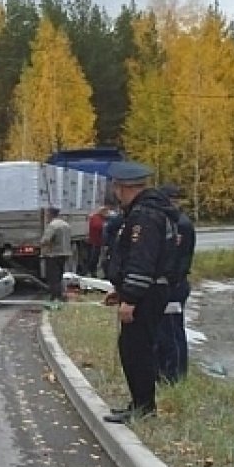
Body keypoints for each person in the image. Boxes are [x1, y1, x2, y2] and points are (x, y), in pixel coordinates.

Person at [101, 162, 179, 424]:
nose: (115, 192)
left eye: (117, 187)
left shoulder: (144, 216)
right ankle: (140, 403)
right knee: (133, 346)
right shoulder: (146, 211)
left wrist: (131, 298)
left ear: (125, 188)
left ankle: (144, 408)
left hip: (147, 293)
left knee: (137, 348)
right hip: (147, 290)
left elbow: (142, 260)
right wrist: (121, 291)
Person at [155, 184, 196, 384]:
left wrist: (171, 282)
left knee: (173, 331)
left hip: (175, 286)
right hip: (167, 285)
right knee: (162, 332)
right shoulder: (170, 222)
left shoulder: (182, 224)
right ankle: (163, 371)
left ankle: (176, 375)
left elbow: (179, 260)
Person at [39, 206, 72, 304]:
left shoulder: (52, 225)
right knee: (59, 275)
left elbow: (46, 240)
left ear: (50, 214)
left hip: (53, 254)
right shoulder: (65, 224)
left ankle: (55, 296)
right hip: (65, 252)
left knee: (53, 277)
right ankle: (61, 294)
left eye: (48, 214)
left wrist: (41, 243)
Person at [86, 204, 109, 277]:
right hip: (95, 241)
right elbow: (97, 226)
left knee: (95, 257)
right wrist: (105, 225)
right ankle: (92, 271)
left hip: (98, 241)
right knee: (94, 257)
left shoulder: (100, 218)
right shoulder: (97, 218)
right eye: (105, 212)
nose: (107, 214)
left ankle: (93, 271)